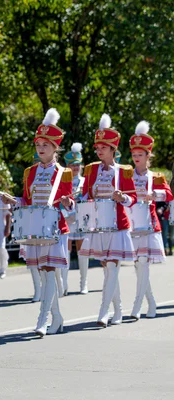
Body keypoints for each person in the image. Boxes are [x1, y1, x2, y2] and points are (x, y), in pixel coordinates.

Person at [2, 109, 73, 337]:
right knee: (43, 272)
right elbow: (26, 199)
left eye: (45, 144)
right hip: (34, 227)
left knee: (49, 270)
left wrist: (66, 202)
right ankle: (58, 317)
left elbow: (70, 204)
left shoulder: (64, 173)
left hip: (54, 228)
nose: (40, 148)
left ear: (55, 147)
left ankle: (42, 319)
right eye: (38, 144)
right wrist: (14, 200)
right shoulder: (29, 172)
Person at [79, 114, 136, 327]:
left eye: (103, 147)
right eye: (97, 147)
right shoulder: (91, 169)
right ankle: (119, 310)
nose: (99, 150)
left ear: (113, 149)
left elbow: (133, 199)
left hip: (117, 225)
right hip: (97, 226)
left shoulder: (124, 171)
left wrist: (123, 197)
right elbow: (85, 195)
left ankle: (103, 312)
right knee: (107, 267)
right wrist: (79, 200)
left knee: (112, 267)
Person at [128, 121, 173, 320]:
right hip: (131, 225)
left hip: (148, 225)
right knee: (138, 266)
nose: (136, 158)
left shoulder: (156, 177)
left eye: (140, 155)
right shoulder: (126, 176)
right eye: (134, 155)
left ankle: (137, 305)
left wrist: (153, 194)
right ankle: (151, 302)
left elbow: (169, 195)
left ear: (148, 156)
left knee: (143, 264)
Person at [63, 142, 89, 295]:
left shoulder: (85, 181)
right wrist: (67, 216)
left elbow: (88, 199)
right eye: (72, 165)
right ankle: (64, 283)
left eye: (77, 165)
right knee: (66, 248)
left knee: (82, 249)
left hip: (82, 218)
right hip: (67, 218)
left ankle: (83, 283)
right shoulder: (63, 181)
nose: (75, 168)